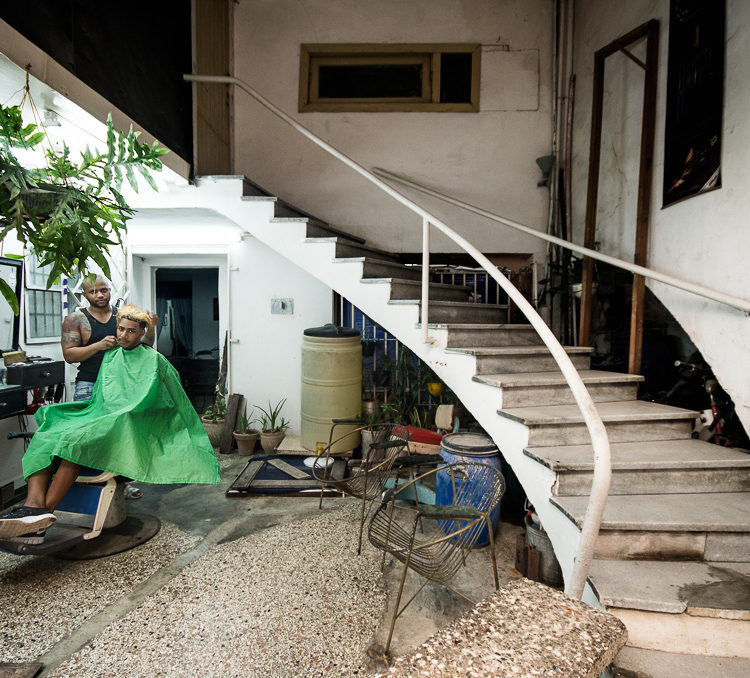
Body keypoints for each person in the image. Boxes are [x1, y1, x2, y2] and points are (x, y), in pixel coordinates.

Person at [0, 304, 220, 543]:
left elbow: (170, 398)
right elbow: (102, 396)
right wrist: (101, 412)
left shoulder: (155, 360)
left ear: (142, 333)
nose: (124, 335)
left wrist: (129, 412)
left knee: (74, 441)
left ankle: (44, 513)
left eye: (131, 331)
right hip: (102, 414)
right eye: (121, 329)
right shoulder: (110, 355)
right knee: (47, 433)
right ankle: (33, 507)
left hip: (125, 421)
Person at [61, 275, 157, 499]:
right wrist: (97, 346)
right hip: (89, 384)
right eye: (94, 291)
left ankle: (121, 483)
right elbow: (69, 355)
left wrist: (151, 328)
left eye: (104, 290)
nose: (101, 295)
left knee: (120, 438)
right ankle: (86, 485)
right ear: (84, 294)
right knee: (87, 437)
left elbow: (144, 345)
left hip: (120, 386)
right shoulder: (76, 319)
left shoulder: (121, 316)